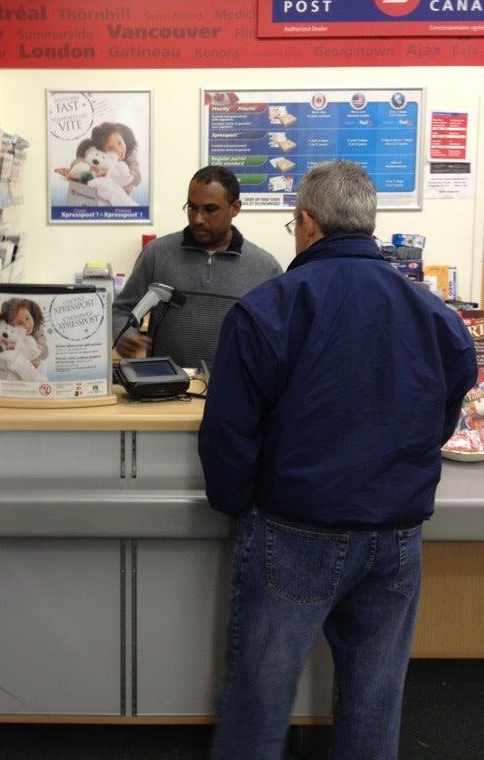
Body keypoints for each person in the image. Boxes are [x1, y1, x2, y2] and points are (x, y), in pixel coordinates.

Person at [198, 160, 477, 760]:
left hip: (294, 530)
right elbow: (445, 417)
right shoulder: (437, 317)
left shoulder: (267, 308)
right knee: (374, 702)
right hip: (396, 535)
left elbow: (228, 430)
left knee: (260, 702)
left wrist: (236, 503)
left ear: (307, 223)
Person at [112, 166, 280, 368]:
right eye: (192, 207)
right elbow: (121, 310)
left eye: (210, 209)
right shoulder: (156, 254)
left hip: (234, 391)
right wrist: (125, 335)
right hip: (167, 391)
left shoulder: (266, 269)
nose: (198, 219)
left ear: (235, 208)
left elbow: (277, 338)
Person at [90, 121, 141, 194]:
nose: (119, 150)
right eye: (111, 149)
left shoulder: (130, 155)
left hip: (122, 196)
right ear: (103, 151)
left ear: (122, 137)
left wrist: (113, 174)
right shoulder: (101, 159)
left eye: (120, 143)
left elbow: (138, 179)